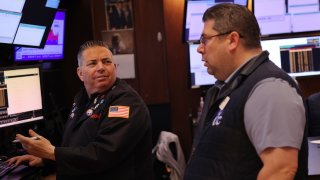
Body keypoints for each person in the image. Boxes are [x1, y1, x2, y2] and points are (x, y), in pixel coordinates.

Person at [184, 3, 307, 180]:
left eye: (205, 40)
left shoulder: (270, 88)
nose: (199, 48)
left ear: (232, 40)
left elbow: (280, 170)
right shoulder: (227, 89)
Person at [7, 40, 154, 180]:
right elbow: (76, 144)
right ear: (80, 73)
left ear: (115, 68)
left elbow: (102, 155)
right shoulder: (82, 97)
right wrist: (47, 160)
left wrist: (52, 153)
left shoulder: (126, 102)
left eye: (107, 62)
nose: (101, 67)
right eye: (92, 63)